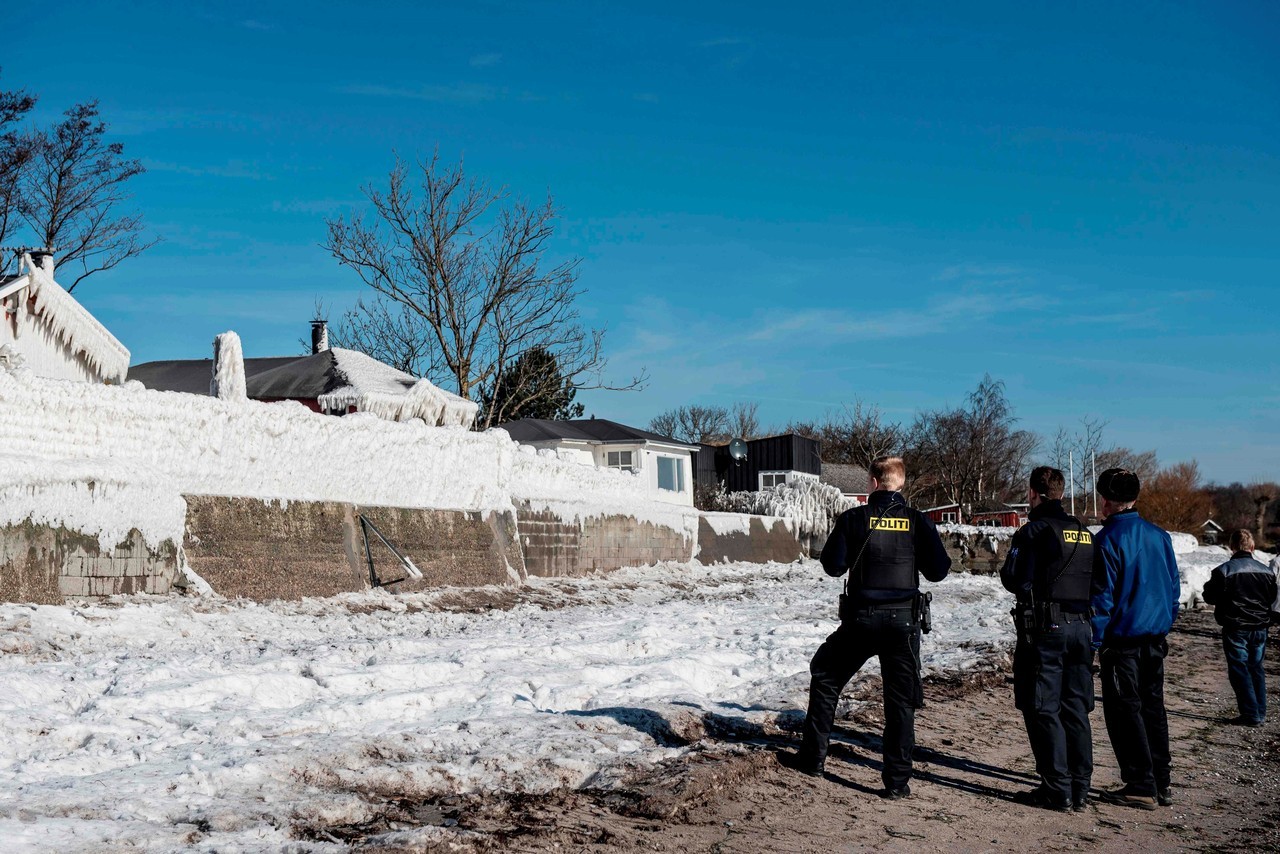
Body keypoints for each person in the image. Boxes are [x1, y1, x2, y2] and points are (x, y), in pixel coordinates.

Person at [786, 456, 951, 799]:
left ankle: (813, 758)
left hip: (861, 620)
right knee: (900, 702)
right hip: (904, 623)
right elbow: (938, 570)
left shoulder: (854, 518)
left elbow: (832, 565)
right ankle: (896, 783)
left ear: (874, 483)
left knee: (827, 678)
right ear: (901, 484)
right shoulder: (918, 522)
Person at [1000, 466, 1095, 812]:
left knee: (1043, 707)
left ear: (1033, 494)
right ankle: (1081, 787)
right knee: (1075, 706)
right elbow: (1096, 584)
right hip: (1082, 628)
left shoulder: (1034, 532)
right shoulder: (1084, 532)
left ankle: (1057, 788)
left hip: (1045, 629)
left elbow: (1014, 579)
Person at [1090, 467, 1180, 810]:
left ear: (1106, 501)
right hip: (1154, 638)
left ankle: (1141, 782)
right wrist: (1167, 620)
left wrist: (1094, 641)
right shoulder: (1160, 536)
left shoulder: (1107, 541)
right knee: (1153, 709)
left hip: (1123, 639)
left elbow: (1102, 597)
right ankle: (1161, 779)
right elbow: (1173, 587)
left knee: (1125, 711)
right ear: (1135, 498)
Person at [1202, 529, 1278, 727]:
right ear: (1252, 547)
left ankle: (1251, 712)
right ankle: (1259, 711)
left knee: (1239, 669)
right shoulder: (1267, 571)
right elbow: (1271, 597)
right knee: (1256, 668)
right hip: (1260, 626)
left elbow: (1209, 596)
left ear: (1232, 547)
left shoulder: (1224, 571)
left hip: (1236, 625)